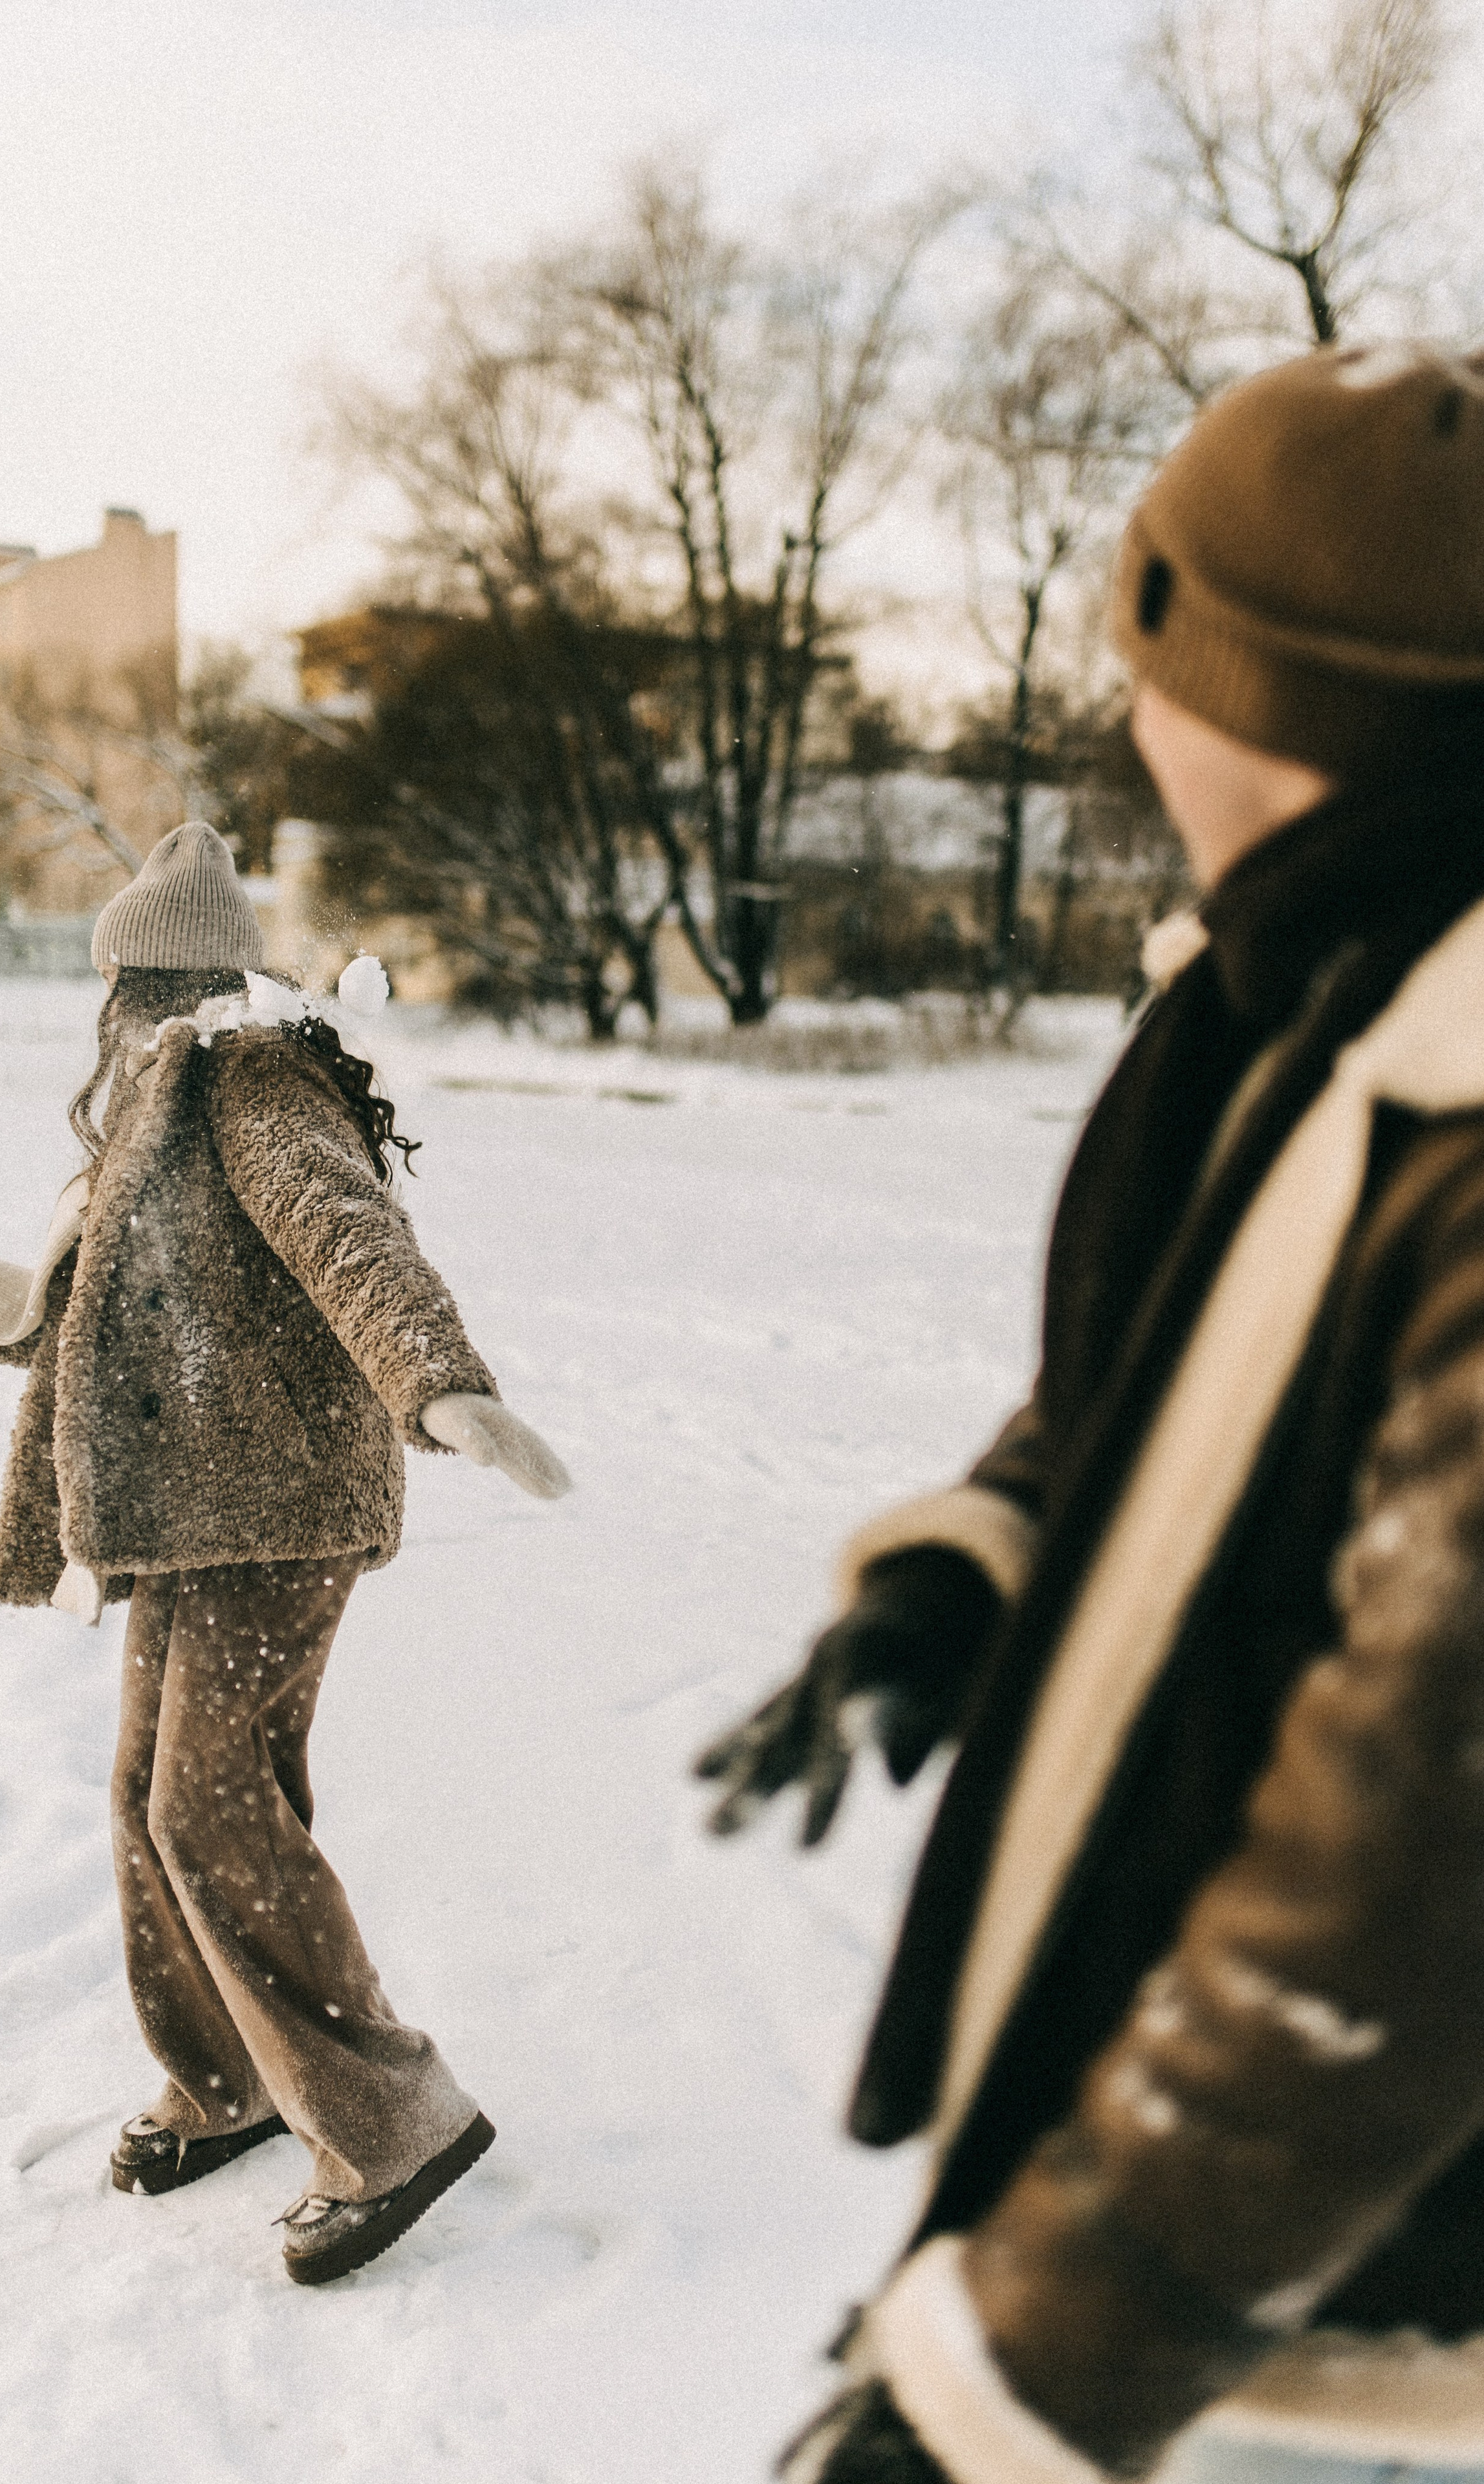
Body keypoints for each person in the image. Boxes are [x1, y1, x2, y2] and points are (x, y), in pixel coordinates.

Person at [697, 345, 1484, 2482]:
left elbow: (1416, 1877)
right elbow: (1170, 1399)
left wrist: (1016, 2376)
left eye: (1146, 642)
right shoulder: (1300, 996)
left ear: (1238, 691)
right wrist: (964, 1569)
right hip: (1233, 2257)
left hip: (1362, 2329)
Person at [0, 822, 571, 2287]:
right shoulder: (150, 1110)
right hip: (194, 1516)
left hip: (280, 1505)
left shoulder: (246, 1071)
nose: (105, 1015)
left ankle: (392, 2114)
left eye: (123, 985)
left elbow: (343, 1229)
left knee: (209, 1807)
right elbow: (70, 1312)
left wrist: (442, 1384)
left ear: (160, 980)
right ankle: (229, 2080)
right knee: (149, 1797)